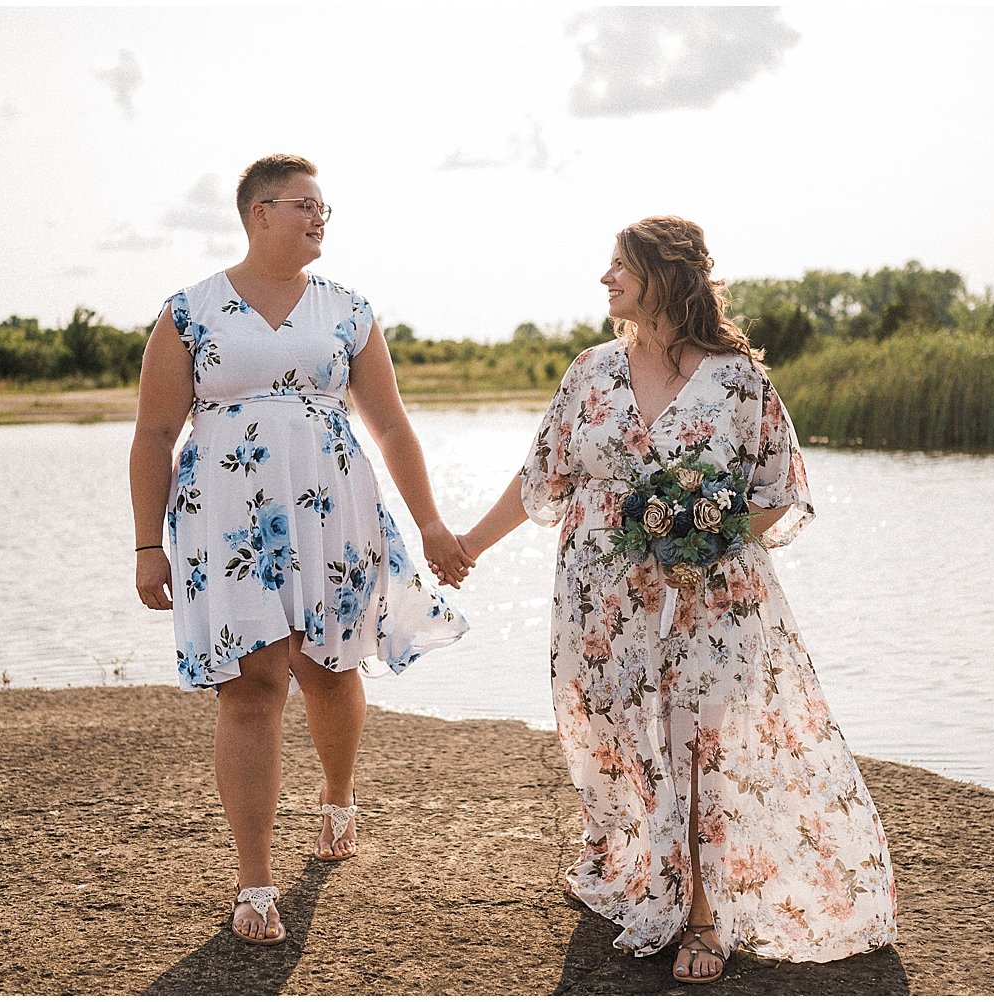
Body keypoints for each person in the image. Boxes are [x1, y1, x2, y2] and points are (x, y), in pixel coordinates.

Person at [456, 217, 897, 982]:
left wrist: (700, 545)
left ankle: (704, 919)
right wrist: (466, 546)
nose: (605, 280)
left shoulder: (735, 379)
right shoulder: (590, 372)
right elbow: (542, 480)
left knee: (699, 749)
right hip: (600, 604)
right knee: (618, 740)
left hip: (709, 599)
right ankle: (640, 868)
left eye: (619, 266)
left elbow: (778, 488)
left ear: (663, 276)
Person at [129, 154, 473, 946]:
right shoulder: (190, 312)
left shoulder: (349, 310)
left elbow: (389, 425)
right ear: (259, 213)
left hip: (334, 511)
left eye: (325, 209)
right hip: (227, 519)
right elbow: (153, 433)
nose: (320, 219)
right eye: (304, 206)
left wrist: (427, 523)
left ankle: (337, 797)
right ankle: (254, 884)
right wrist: (149, 544)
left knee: (329, 667)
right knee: (251, 686)